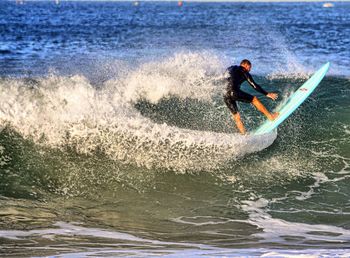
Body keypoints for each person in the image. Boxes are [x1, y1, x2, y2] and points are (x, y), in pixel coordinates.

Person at [224, 59, 279, 135]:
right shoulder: (243, 70)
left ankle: (243, 134)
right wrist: (267, 94)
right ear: (246, 65)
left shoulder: (231, 68)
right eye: (249, 68)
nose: (249, 70)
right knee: (254, 99)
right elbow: (254, 85)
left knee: (236, 116)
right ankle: (270, 117)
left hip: (225, 94)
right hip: (234, 92)